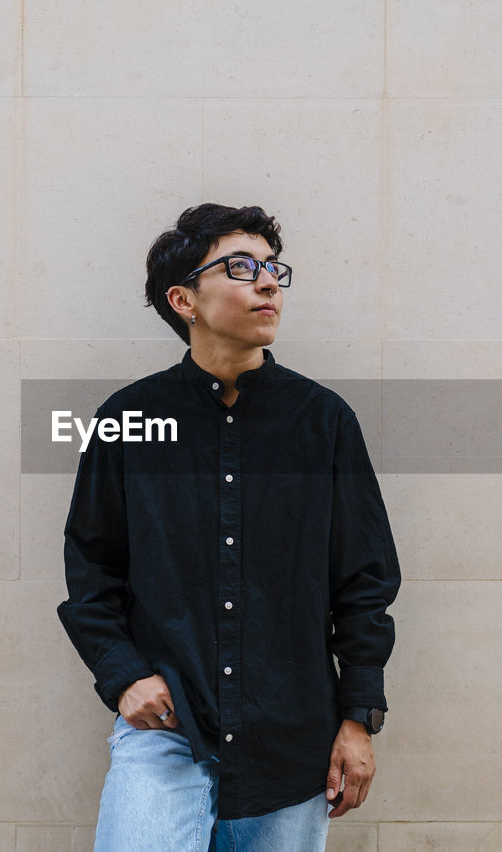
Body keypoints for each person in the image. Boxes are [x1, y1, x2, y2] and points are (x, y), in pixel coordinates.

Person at [57, 203, 401, 852]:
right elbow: (91, 569)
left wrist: (358, 721)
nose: (269, 282)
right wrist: (124, 675)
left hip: (293, 736)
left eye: (273, 269)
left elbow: (364, 583)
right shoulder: (128, 420)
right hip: (168, 729)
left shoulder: (323, 423)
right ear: (183, 299)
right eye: (242, 268)